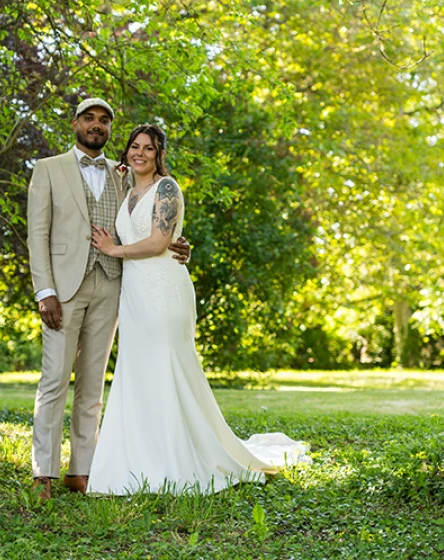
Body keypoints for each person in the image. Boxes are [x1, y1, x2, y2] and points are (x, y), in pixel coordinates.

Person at [87, 124, 311, 495]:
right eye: (134, 147)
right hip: (135, 296)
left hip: (164, 291)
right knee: (139, 373)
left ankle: (179, 459)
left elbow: (160, 242)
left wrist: (114, 250)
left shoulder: (167, 188)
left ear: (160, 155)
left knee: (167, 369)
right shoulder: (126, 189)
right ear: (126, 151)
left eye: (148, 148)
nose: (139, 153)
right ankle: (141, 460)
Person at [27, 100, 190, 500]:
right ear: (75, 123)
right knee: (53, 380)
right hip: (63, 290)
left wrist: (179, 245)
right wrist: (44, 291)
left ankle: (81, 470)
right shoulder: (47, 169)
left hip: (113, 287)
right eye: (89, 118)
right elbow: (37, 234)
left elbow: (153, 224)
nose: (96, 125)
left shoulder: (124, 176)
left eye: (104, 120)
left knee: (92, 385)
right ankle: (43, 473)